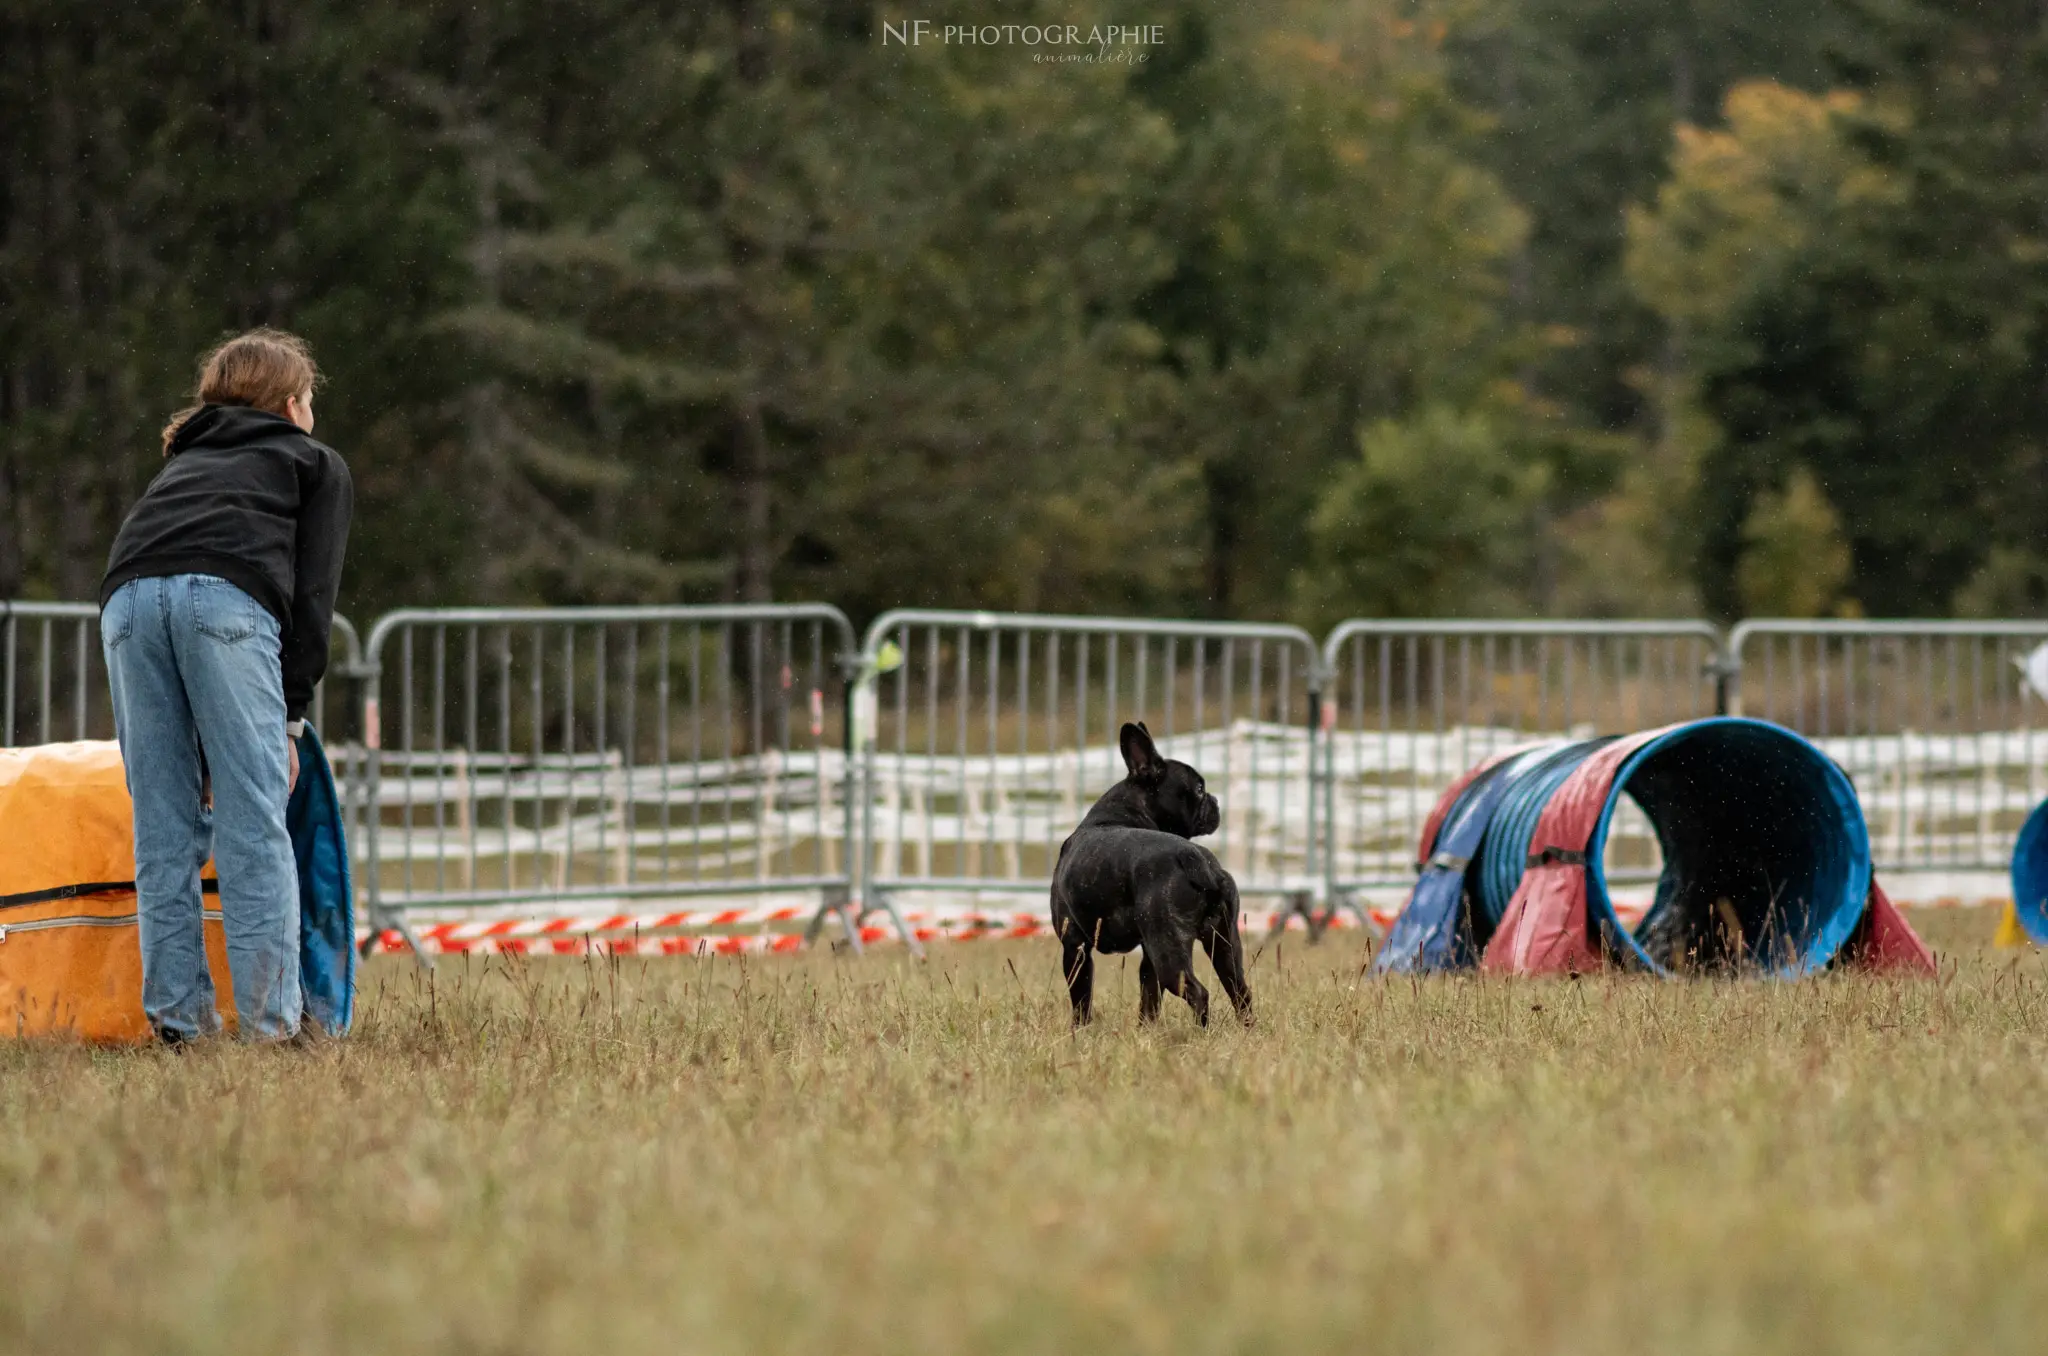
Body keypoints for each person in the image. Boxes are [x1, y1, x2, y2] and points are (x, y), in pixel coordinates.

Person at [99, 328, 353, 1044]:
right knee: (252, 821)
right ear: (293, 402)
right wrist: (290, 721)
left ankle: (180, 1026)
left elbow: (168, 576)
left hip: (125, 601)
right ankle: (273, 1027)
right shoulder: (312, 463)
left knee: (163, 826)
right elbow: (311, 604)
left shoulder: (183, 459)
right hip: (227, 599)